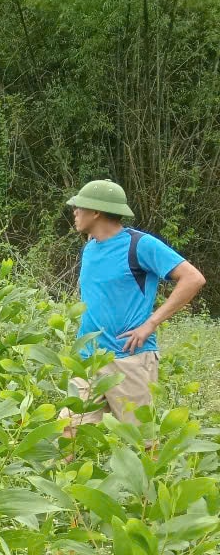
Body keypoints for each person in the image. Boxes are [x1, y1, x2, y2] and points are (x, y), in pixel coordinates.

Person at [64, 179, 205, 428]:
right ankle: (64, 470)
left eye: (80, 207)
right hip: (89, 359)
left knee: (142, 441)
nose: (74, 212)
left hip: (128, 359)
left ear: (96, 211)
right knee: (68, 430)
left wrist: (150, 323)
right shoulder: (90, 248)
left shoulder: (139, 244)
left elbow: (193, 278)